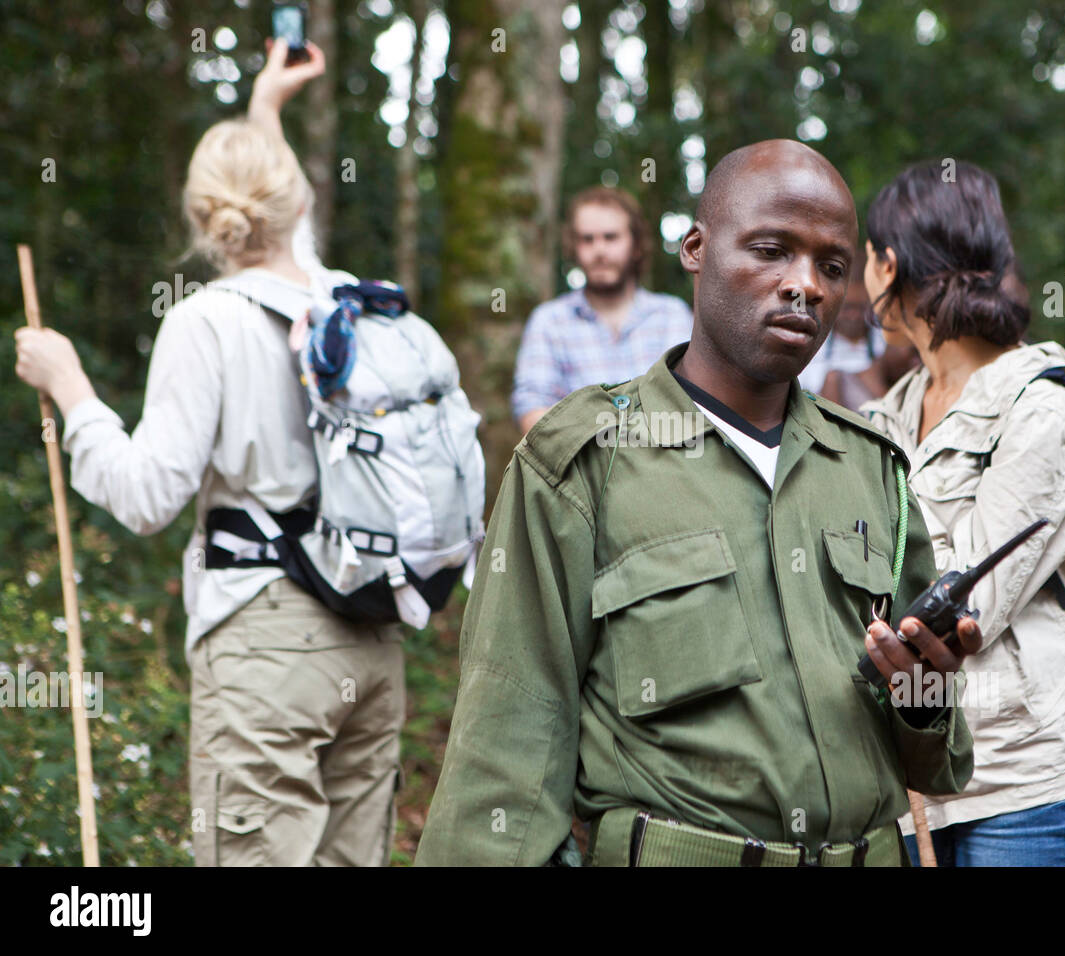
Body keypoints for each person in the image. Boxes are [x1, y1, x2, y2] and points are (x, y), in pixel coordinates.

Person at [415, 139, 983, 867]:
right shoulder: (582, 462)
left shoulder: (870, 469)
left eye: (832, 267)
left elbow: (935, 763)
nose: (804, 284)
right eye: (772, 249)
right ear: (695, 248)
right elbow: (507, 732)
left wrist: (923, 694)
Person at [13, 40, 405, 866]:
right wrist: (267, 105)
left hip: (267, 644)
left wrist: (72, 385)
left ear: (202, 217)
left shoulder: (207, 320)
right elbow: (293, 232)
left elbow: (148, 494)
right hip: (371, 639)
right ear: (298, 202)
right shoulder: (348, 302)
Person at [859, 159, 1065, 866]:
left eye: (858, 257)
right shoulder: (884, 416)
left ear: (887, 267)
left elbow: (969, 605)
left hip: (1032, 789)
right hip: (911, 795)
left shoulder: (1040, 404)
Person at [511, 187, 693, 433]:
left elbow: (691, 406)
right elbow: (533, 411)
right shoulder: (549, 321)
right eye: (587, 239)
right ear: (573, 247)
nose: (599, 250)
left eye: (610, 237)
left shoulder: (672, 316)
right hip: (577, 470)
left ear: (636, 244)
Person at [799, 245, 917, 406]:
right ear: (833, 304)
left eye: (860, 308)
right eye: (847, 308)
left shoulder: (885, 337)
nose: (854, 316)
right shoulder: (811, 344)